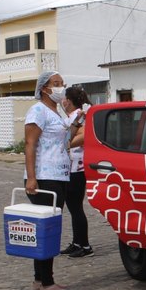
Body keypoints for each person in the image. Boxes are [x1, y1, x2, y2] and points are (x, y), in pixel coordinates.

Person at [24, 71, 73, 290]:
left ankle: (39, 280)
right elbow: (30, 144)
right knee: (48, 230)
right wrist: (32, 177)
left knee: (47, 229)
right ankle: (47, 283)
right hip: (44, 177)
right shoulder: (38, 111)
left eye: (62, 83)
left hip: (59, 175)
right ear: (44, 88)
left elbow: (63, 142)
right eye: (56, 83)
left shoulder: (57, 110)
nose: (60, 87)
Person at [60, 86, 94, 258]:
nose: (62, 101)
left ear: (69, 100)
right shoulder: (73, 116)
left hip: (77, 169)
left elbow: (84, 135)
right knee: (73, 208)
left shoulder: (79, 116)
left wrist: (66, 144)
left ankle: (85, 245)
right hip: (70, 168)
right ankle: (77, 242)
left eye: (64, 98)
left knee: (76, 207)